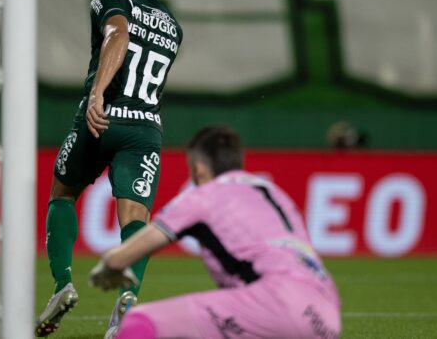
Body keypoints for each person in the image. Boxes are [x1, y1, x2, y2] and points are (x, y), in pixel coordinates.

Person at [35, 0, 183, 338]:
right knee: (136, 219)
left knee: (62, 193)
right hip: (145, 128)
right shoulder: (173, 26)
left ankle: (62, 282)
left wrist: (98, 94)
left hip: (100, 118)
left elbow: (118, 36)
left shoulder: (110, 3)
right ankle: (129, 297)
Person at [89, 125, 341, 339]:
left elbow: (125, 254)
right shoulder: (272, 191)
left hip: (278, 305)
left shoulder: (201, 197)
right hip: (327, 313)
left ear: (198, 168)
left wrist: (110, 264)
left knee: (140, 321)